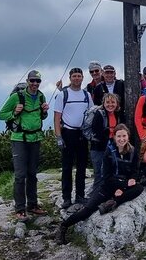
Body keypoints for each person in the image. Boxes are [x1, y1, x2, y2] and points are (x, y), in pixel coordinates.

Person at [56, 124, 144, 244]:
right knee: (87, 210)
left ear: (128, 137)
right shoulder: (109, 152)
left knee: (139, 188)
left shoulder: (133, 151)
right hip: (108, 186)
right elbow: (106, 177)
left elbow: (134, 171)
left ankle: (113, 202)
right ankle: (64, 226)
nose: (121, 139)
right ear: (114, 137)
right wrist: (122, 186)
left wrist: (132, 179)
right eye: (119, 136)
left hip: (123, 185)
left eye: (124, 136)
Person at [0, 70, 49, 221]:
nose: (35, 84)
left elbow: (41, 116)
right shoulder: (17, 97)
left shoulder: (41, 96)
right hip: (19, 139)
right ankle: (20, 208)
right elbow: (1, 114)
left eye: (37, 81)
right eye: (32, 81)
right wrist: (14, 113)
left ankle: (32, 205)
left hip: (35, 138)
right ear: (27, 81)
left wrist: (45, 112)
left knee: (32, 174)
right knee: (20, 175)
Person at [53, 68, 93, 209]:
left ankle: (80, 196)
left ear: (82, 78)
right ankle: (66, 198)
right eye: (74, 76)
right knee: (67, 167)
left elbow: (91, 114)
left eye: (79, 76)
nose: (77, 78)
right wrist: (58, 137)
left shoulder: (86, 95)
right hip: (67, 133)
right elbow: (57, 118)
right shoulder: (63, 95)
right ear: (70, 78)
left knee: (81, 167)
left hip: (82, 134)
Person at [87, 92, 122, 194]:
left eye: (112, 102)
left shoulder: (118, 114)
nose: (110, 105)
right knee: (99, 172)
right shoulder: (99, 114)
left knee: (110, 171)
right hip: (98, 148)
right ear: (103, 103)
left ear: (117, 104)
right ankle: (96, 195)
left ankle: (106, 193)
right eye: (107, 102)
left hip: (111, 147)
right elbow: (96, 132)